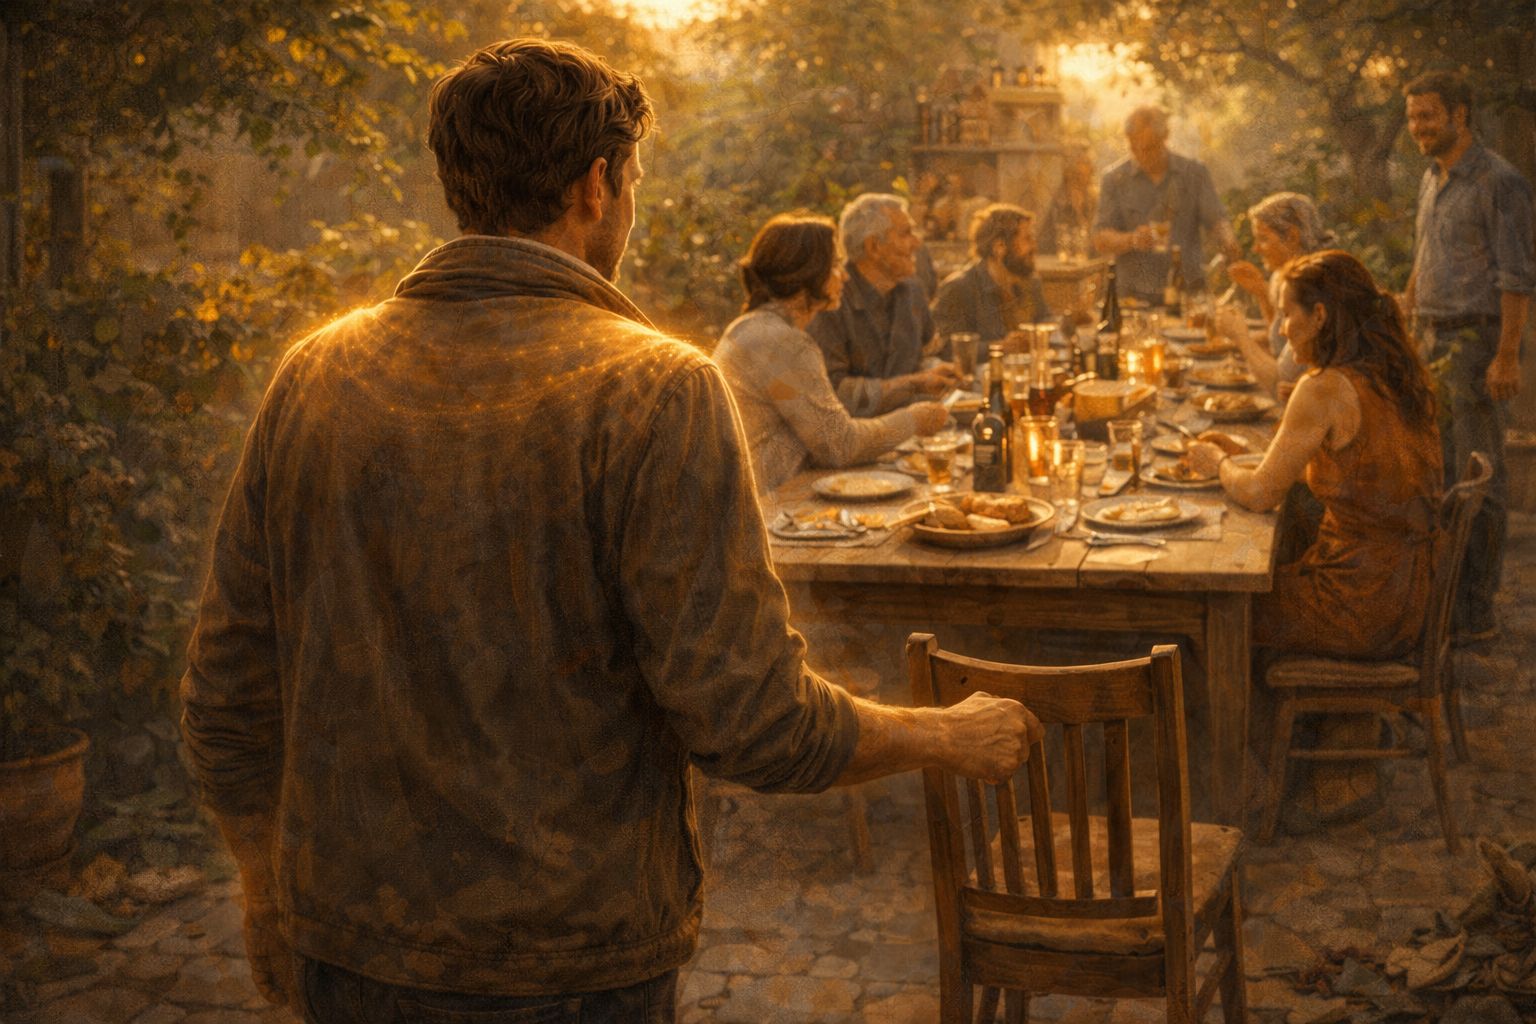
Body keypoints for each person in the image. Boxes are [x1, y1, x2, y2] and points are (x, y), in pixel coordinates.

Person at [179, 38, 1041, 1023]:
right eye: (631, 181)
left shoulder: (314, 374)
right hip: (569, 963)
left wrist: (263, 888)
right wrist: (943, 731)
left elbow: (225, 695)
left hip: (348, 948)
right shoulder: (657, 387)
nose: (629, 202)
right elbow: (753, 723)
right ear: (596, 186)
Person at [1188, 250, 1442, 660]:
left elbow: (1259, 495)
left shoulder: (1324, 387)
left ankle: (1231, 723)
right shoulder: (1391, 374)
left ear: (1320, 316)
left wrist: (1217, 464)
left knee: (1209, 610)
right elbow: (1359, 475)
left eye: (1287, 315)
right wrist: (1252, 456)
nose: (1283, 330)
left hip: (1357, 603)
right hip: (1405, 596)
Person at [1403, 69, 1535, 642]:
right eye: (1412, 117)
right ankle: (1449, 601)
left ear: (1461, 115)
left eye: (1428, 115)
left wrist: (1506, 356)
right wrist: (1409, 320)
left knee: (1479, 475)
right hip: (1432, 338)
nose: (1418, 128)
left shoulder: (1499, 181)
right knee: (1441, 473)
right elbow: (1423, 259)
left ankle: (1475, 612)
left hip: (1475, 342)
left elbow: (1516, 278)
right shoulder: (1432, 177)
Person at [713, 213, 949, 493]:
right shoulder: (782, 341)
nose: (845, 275)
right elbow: (840, 445)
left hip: (766, 491)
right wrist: (914, 419)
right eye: (836, 265)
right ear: (809, 273)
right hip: (766, 501)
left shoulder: (758, 327)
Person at [810, 193, 960, 416]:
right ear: (873, 247)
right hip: (857, 441)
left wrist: (937, 371)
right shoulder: (832, 300)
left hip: (914, 434)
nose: (917, 243)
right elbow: (832, 393)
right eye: (906, 233)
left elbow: (929, 352)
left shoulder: (912, 291)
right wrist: (913, 383)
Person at [1092, 106, 1239, 304]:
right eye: (1135, 148)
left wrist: (1229, 243)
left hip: (1187, 293)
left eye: (1150, 147)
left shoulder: (1194, 173)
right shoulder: (1114, 179)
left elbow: (1217, 221)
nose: (1142, 155)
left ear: (1165, 137)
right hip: (1133, 297)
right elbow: (1100, 238)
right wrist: (1132, 239)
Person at [1227, 192, 1337, 399]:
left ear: (1293, 236)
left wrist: (1240, 336)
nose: (1256, 248)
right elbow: (1280, 344)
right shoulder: (1284, 276)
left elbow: (1280, 382)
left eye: (1263, 239)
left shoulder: (1314, 283)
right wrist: (1262, 293)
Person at [932, 203, 1052, 347]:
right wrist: (1000, 347)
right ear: (999, 247)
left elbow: (1046, 320)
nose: (1034, 246)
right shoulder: (958, 289)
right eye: (1027, 239)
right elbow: (947, 348)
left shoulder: (1031, 282)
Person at [1038, 147, 1097, 260]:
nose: (1078, 187)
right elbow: (1045, 244)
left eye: (1086, 177)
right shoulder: (1058, 203)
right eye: (1077, 178)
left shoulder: (1094, 201)